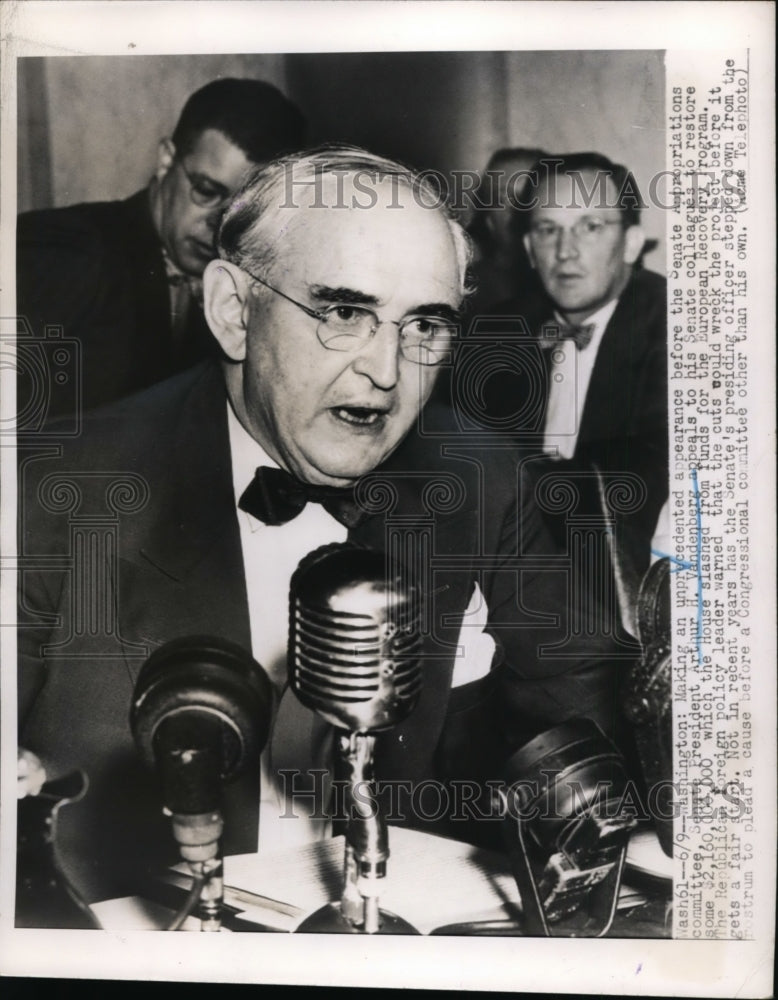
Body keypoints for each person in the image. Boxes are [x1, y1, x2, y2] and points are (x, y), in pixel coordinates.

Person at [18, 147, 630, 907]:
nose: (386, 370)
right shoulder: (49, 490)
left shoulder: (479, 482)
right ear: (233, 311)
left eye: (425, 326)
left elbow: (589, 734)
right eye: (345, 313)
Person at [16, 78, 305, 418]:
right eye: (206, 191)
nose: (219, 225)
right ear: (166, 160)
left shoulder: (240, 287)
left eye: (242, 210)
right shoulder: (63, 251)